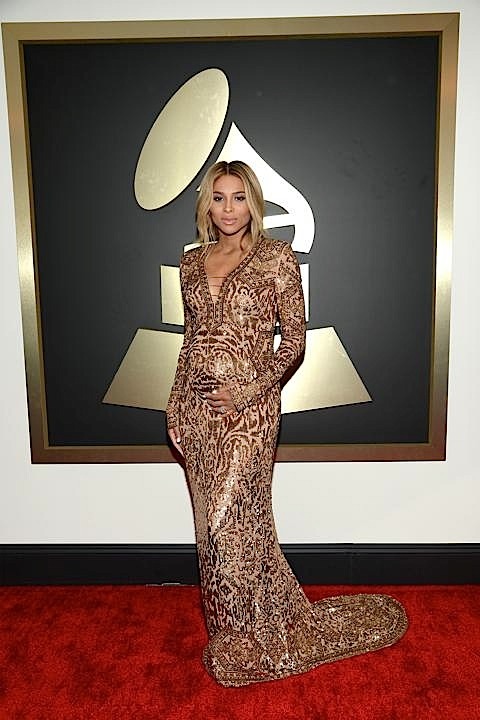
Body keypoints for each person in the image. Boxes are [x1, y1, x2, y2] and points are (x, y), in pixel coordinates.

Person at [166, 160, 407, 687]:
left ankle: (251, 639)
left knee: (232, 519)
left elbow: (293, 342)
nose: (229, 208)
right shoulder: (190, 262)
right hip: (198, 412)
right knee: (212, 530)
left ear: (254, 203)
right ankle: (231, 635)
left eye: (239, 197)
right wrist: (175, 404)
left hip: (250, 413)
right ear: (206, 205)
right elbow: (191, 339)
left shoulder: (277, 258)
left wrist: (246, 390)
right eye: (219, 198)